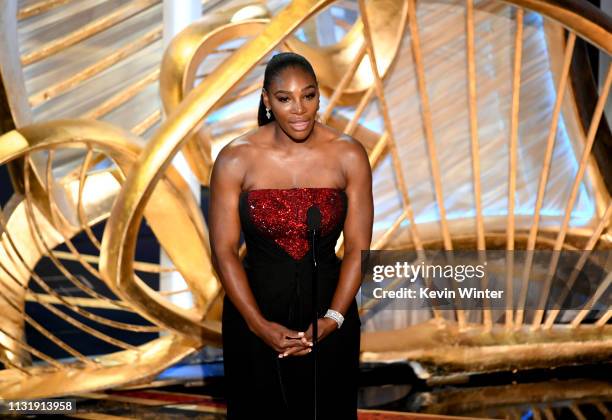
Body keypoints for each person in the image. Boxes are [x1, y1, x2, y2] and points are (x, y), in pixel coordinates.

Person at [209, 51, 373, 420]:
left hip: (333, 309)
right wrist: (256, 324)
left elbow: (359, 247)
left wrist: (334, 318)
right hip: (254, 312)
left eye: (309, 95)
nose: (299, 108)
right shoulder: (236, 158)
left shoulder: (348, 154)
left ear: (319, 96)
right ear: (267, 100)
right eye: (285, 98)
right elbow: (223, 250)